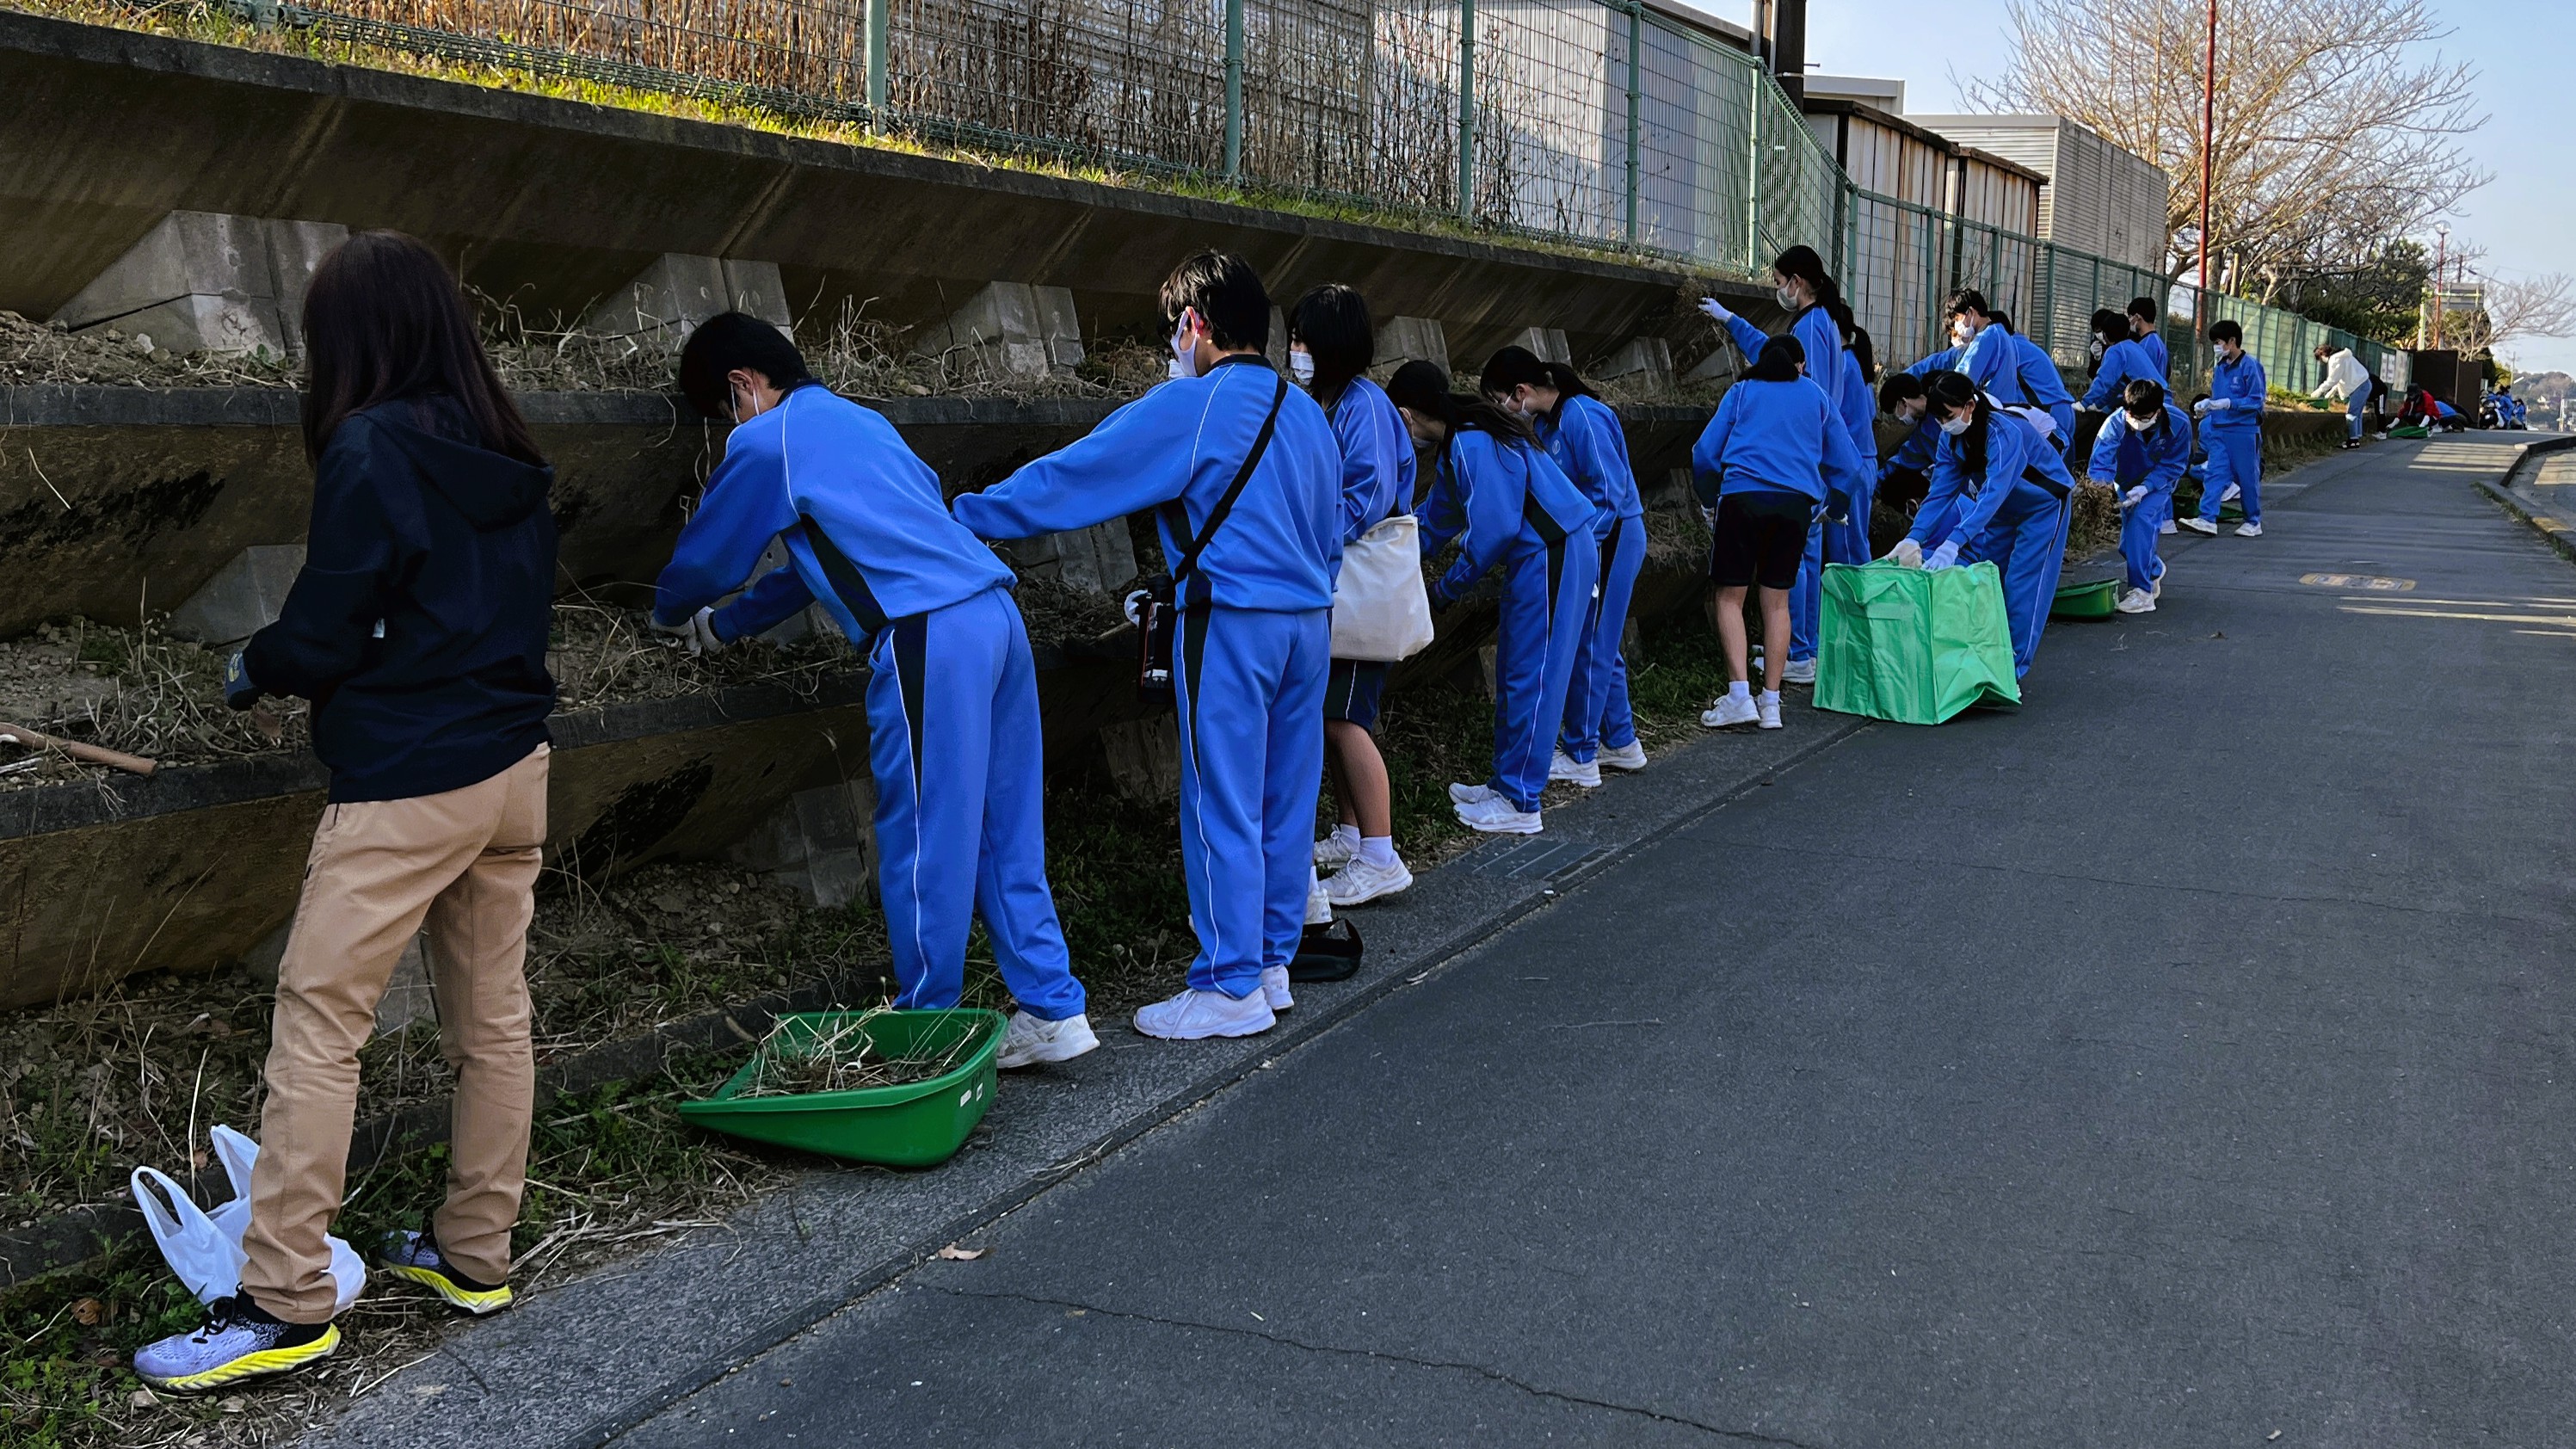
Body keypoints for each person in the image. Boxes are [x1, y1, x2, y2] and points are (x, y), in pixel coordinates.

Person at [137, 232, 557, 1391]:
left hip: (409, 784)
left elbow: (326, 627)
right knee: (494, 1023)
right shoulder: (506, 448)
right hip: (517, 769)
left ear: (354, 339)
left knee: (320, 1027)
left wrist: (259, 665)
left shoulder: (372, 446)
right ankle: (476, 1253)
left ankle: (281, 1299)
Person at [647, 313, 1094, 1066]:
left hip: (928, 635)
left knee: (923, 837)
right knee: (1003, 826)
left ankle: (926, 1028)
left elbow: (711, 557)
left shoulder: (767, 440)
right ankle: (1053, 1008)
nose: (729, 428)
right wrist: (731, 627)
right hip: (995, 616)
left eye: (723, 414)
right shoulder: (864, 423)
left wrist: (666, 614)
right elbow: (814, 564)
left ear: (741, 386)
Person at [953, 252, 1340, 1041]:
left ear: (1195, 324)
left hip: (1232, 621)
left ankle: (1229, 986)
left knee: (1220, 798)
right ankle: (1270, 964)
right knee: (1284, 797)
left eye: (1175, 328)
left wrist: (965, 512)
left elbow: (1078, 475)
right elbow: (1332, 533)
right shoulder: (1305, 412)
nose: (1174, 345)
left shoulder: (1196, 403)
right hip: (1311, 622)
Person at [1394, 360, 1599, 833]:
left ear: (1406, 416)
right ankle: (1505, 782)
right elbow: (1433, 523)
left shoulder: (1471, 440)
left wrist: (1446, 588)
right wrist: (1387, 560)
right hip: (1540, 556)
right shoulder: (1457, 445)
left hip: (1553, 552)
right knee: (1513, 670)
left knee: (1534, 675)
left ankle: (1522, 802)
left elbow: (1495, 529)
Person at [1293, 284, 1417, 909]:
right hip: (1350, 586)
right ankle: (1351, 834)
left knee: (1346, 720)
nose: (1295, 350)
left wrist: (1310, 537)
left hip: (1355, 581)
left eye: (1303, 339)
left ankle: (1380, 853)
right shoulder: (1340, 399)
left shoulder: (1362, 405)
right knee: (1333, 715)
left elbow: (1367, 496)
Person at [1479, 346, 1648, 789]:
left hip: (1609, 536)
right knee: (1598, 642)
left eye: (1500, 400)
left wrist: (1581, 553)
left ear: (1520, 391)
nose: (1502, 410)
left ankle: (1581, 752)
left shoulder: (1582, 415)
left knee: (1591, 643)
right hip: (1591, 539)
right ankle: (1621, 741)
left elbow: (1608, 493)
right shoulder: (1548, 421)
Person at [1698, 245, 1860, 686]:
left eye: (1777, 281)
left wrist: (1732, 321)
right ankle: (1793, 649)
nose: (1777, 289)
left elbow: (1776, 361)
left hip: (1790, 468)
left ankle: (1799, 652)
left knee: (1788, 576)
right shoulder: (1824, 322)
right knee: (1795, 571)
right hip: (1813, 466)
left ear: (1797, 282)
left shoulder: (1806, 329)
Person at [1689, 335, 1865, 730]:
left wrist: (1708, 499)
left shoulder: (1741, 391)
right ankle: (1771, 703)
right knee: (1778, 602)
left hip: (1742, 498)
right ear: (1797, 365)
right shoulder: (1816, 396)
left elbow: (1703, 454)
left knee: (1730, 597)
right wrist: (1833, 509)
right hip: (1794, 507)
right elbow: (1851, 468)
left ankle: (1738, 696)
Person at [1891, 370, 2077, 679]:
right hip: (2001, 512)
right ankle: (1987, 660)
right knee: (1990, 581)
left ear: (1970, 406)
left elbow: (1993, 491)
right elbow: (1940, 493)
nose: (1944, 425)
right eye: (1938, 420)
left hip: (2042, 507)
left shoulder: (2006, 433)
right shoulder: (1950, 439)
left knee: (2022, 585)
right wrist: (1914, 538)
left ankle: (2011, 671)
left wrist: (1955, 541)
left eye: (1948, 416)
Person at [2086, 379, 2191, 614]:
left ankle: (2142, 592)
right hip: (2125, 482)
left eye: (2144, 419)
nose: (2137, 423)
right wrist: (2099, 491)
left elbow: (2174, 464)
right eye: (2133, 416)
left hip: (2158, 483)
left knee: (2140, 524)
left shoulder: (2179, 423)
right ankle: (2152, 568)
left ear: (2158, 410)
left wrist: (2147, 487)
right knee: (2128, 544)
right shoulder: (2114, 423)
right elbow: (2101, 463)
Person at [2180, 319, 2265, 538]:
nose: (2215, 347)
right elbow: (2218, 399)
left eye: (2218, 342)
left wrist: (2230, 404)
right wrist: (2207, 408)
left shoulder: (2250, 366)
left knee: (2247, 477)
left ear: (2232, 341)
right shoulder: (2221, 367)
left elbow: (2256, 400)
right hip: (2220, 427)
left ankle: (2252, 521)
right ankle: (2207, 518)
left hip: (2243, 430)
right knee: (2215, 474)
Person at [2082, 307, 2167, 413]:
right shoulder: (2131, 345)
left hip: (2147, 400)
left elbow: (2104, 380)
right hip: (2160, 397)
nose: (2100, 335)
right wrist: (2099, 404)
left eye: (2101, 331)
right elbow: (2119, 383)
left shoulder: (2116, 350)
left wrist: (2085, 403)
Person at [2313, 341, 2372, 449]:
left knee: (2351, 414)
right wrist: (2330, 393)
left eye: (2320, 359)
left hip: (2359, 386)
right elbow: (2340, 379)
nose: (2322, 362)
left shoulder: (2335, 360)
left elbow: (2333, 380)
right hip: (2365, 384)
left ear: (2322, 355)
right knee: (2357, 414)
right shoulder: (2343, 356)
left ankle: (2353, 441)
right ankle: (2356, 438)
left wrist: (2319, 390)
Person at [2127, 296, 2171, 379]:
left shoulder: (2145, 345)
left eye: (2130, 316)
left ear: (2137, 317)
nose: (2129, 320)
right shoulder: (2158, 342)